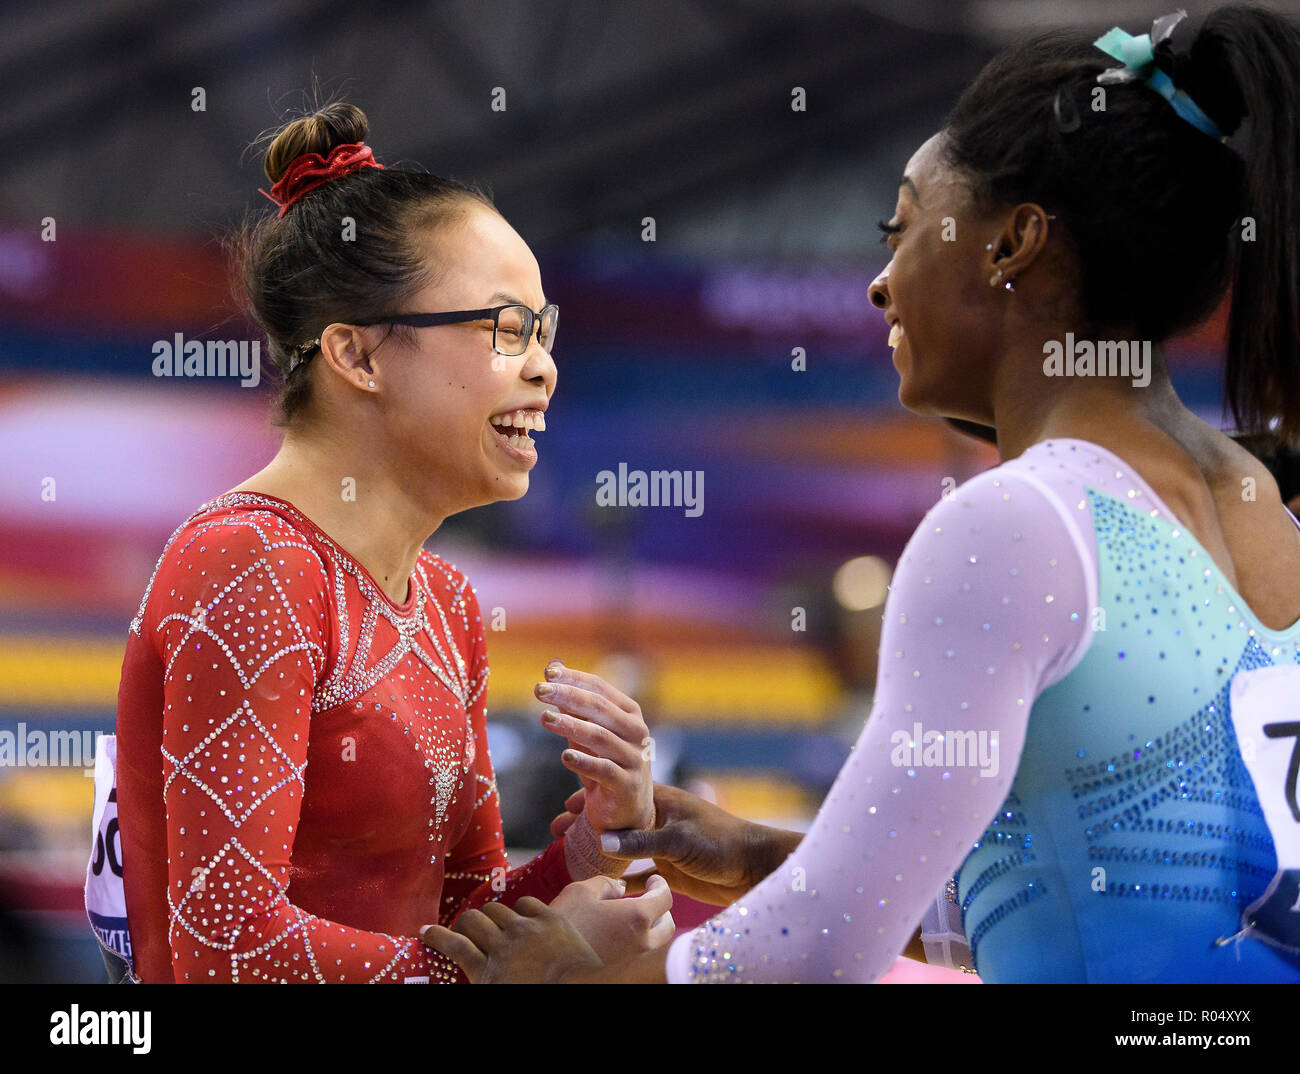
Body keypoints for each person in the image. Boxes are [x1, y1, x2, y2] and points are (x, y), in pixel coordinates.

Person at [421, 6, 1300, 983]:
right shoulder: (1266, 505)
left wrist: (589, 976)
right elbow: (1133, 889)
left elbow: (822, 951)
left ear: (1011, 244)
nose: (880, 284)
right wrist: (760, 854)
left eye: (903, 226)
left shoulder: (1019, 526)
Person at [110, 101, 673, 983]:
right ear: (358, 357)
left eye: (544, 330)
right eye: (504, 329)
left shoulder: (445, 603)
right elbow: (225, 948)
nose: (543, 366)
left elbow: (464, 915)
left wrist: (594, 851)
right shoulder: (251, 565)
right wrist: (520, 975)